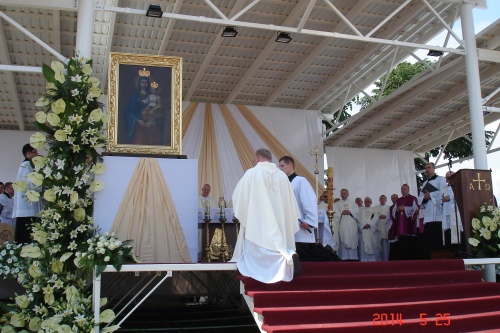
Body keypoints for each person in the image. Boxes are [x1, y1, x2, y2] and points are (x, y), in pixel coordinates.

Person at [230, 148, 301, 283]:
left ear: (257, 158)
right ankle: (287, 255)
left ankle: (266, 267)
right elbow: (290, 202)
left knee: (258, 242)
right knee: (279, 242)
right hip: (279, 220)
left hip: (258, 220)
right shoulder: (282, 176)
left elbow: (239, 196)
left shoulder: (252, 173)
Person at [279, 156, 334, 262]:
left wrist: (309, 221)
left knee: (306, 254)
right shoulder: (284, 183)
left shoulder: (300, 181)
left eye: (282, 166)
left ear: (290, 165)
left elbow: (309, 201)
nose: (280, 168)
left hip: (301, 226)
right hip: (289, 226)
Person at [13, 144, 43, 243]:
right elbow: (29, 184)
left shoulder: (29, 165)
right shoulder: (26, 165)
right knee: (27, 238)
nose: (37, 154)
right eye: (35, 152)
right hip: (27, 208)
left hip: (29, 207)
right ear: (28, 153)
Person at [418, 162, 447, 259]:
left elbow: (443, 192)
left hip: (438, 212)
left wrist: (431, 195)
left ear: (434, 168)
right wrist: (425, 198)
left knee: (438, 236)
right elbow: (420, 198)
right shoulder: (425, 183)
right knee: (429, 237)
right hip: (429, 212)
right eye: (426, 168)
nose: (427, 169)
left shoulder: (441, 179)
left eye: (429, 167)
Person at [391, 184, 419, 260]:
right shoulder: (398, 200)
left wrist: (404, 208)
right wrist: (397, 210)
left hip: (409, 223)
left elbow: (415, 210)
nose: (403, 190)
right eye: (402, 189)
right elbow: (393, 212)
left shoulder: (413, 198)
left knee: (410, 243)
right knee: (402, 243)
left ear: (408, 190)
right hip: (400, 224)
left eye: (404, 189)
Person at [333, 189, 359, 260]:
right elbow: (334, 213)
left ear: (348, 194)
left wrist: (350, 212)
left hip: (351, 224)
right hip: (342, 223)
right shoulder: (337, 204)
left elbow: (357, 212)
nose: (343, 195)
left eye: (344, 193)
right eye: (342, 193)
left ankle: (353, 257)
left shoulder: (353, 203)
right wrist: (341, 213)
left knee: (352, 237)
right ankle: (343, 257)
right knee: (342, 237)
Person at [124, 75, 151, 144]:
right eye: (142, 82)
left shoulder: (152, 96)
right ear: (139, 83)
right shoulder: (134, 97)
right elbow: (129, 112)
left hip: (150, 123)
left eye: (146, 82)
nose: (144, 84)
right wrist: (138, 121)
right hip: (138, 123)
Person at [442, 171, 464, 249]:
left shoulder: (459, 185)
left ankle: (458, 249)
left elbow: (461, 197)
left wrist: (450, 198)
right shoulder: (444, 188)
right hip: (446, 212)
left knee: (456, 230)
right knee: (448, 232)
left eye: (448, 177)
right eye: (446, 178)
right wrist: (442, 199)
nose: (446, 180)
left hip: (455, 212)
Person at [357, 197, 381, 262]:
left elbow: (376, 219)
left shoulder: (374, 210)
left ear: (371, 202)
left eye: (368, 201)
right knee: (363, 246)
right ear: (364, 202)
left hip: (371, 231)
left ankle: (373, 260)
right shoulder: (360, 210)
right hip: (363, 230)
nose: (367, 202)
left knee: (373, 246)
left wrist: (369, 224)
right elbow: (359, 219)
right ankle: (363, 260)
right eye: (366, 201)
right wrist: (363, 224)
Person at [373, 195, 390, 261]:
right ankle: (378, 260)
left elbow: (390, 217)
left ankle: (387, 259)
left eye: (384, 199)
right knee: (378, 246)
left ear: (386, 200)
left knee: (386, 246)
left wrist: (385, 217)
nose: (382, 200)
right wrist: (378, 217)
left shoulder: (389, 208)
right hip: (378, 228)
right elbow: (373, 218)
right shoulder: (375, 208)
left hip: (386, 229)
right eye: (381, 199)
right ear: (379, 200)